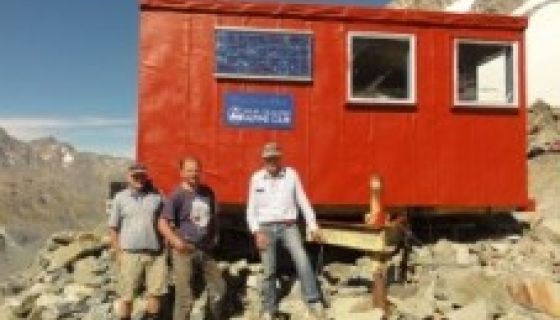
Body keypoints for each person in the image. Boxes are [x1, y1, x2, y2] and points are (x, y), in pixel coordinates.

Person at [246, 142, 325, 320]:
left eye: (274, 157)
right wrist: (256, 231)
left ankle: (314, 301)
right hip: (265, 227)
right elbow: (251, 210)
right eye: (268, 158)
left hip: (289, 225)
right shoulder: (256, 178)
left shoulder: (291, 174)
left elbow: (303, 201)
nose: (271, 161)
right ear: (263, 160)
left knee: (302, 260)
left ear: (279, 158)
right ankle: (269, 309)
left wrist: (313, 226)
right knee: (269, 270)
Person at [158, 157, 225, 320]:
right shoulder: (177, 195)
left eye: (196, 170)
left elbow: (213, 217)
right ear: (181, 173)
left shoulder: (207, 192)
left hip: (204, 249)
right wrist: (176, 242)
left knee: (219, 288)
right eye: (189, 170)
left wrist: (214, 236)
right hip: (184, 250)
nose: (193, 174)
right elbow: (162, 223)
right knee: (184, 298)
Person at [109, 163, 167, 320]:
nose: (139, 179)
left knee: (154, 294)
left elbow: (166, 222)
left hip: (155, 254)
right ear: (128, 177)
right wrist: (118, 253)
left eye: (142, 176)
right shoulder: (120, 198)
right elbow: (113, 228)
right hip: (130, 254)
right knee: (127, 296)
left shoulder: (157, 198)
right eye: (135, 176)